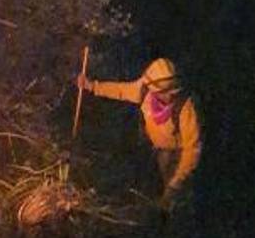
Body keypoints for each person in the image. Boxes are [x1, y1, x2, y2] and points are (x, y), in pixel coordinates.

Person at [77, 57, 202, 209]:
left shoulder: (186, 106)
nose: (172, 95)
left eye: (175, 91)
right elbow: (121, 90)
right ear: (155, 90)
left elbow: (193, 149)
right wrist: (92, 86)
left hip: (177, 156)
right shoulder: (144, 90)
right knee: (150, 193)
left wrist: (176, 184)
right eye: (168, 92)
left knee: (175, 201)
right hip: (155, 150)